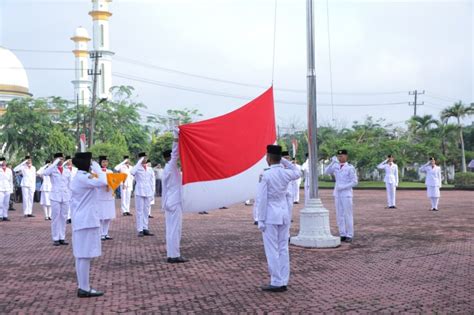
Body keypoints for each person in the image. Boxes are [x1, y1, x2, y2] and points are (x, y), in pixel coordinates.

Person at [256, 145, 300, 292]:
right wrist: (285, 162)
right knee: (283, 248)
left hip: (270, 215)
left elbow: (262, 199)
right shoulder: (286, 173)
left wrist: (260, 219)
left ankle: (276, 281)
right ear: (279, 158)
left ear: (268, 158)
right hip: (284, 214)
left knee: (272, 249)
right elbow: (298, 172)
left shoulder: (265, 175)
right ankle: (283, 279)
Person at [70, 152, 108, 297]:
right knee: (84, 256)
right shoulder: (84, 177)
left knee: (80, 256)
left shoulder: (80, 177)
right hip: (86, 221)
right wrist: (98, 169)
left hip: (81, 220)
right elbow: (104, 182)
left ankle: (83, 286)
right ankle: (84, 288)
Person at [162, 128, 188, 263]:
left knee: (171, 229)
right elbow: (175, 153)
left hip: (169, 202)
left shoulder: (167, 169)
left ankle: (172, 254)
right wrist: (176, 136)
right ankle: (174, 255)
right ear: (168, 158)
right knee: (175, 229)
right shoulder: (171, 166)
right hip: (174, 202)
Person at [324, 149, 358, 243]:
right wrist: (332, 162)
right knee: (339, 215)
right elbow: (326, 171)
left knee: (348, 215)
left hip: (346, 194)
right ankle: (342, 234)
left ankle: (349, 234)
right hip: (337, 193)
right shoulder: (335, 166)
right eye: (338, 156)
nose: (340, 158)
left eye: (342, 156)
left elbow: (355, 182)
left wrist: (343, 187)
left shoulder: (350, 168)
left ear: (346, 157)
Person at [43, 153, 72, 246]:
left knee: (64, 217)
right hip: (55, 196)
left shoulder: (67, 170)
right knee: (55, 217)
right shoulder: (52, 169)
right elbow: (45, 173)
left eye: (62, 159)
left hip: (65, 196)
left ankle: (62, 237)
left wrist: (71, 196)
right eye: (59, 159)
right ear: (55, 160)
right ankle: (55, 238)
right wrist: (54, 163)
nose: (61, 160)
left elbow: (70, 184)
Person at [130, 152, 155, 237]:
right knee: (139, 211)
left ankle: (145, 228)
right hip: (139, 191)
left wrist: (152, 193)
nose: (145, 159)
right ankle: (140, 229)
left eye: (145, 157)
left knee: (146, 210)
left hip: (148, 191)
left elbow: (152, 181)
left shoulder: (150, 169)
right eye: (143, 158)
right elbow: (132, 172)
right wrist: (138, 162)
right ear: (140, 158)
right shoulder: (136, 168)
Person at [96, 156, 115, 241]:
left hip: (109, 195)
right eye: (103, 162)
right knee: (100, 215)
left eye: (106, 162)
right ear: (100, 162)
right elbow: (95, 182)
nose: (105, 163)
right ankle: (100, 234)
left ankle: (105, 233)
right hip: (100, 195)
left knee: (108, 215)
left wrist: (111, 185)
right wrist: (105, 184)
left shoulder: (110, 171)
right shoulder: (96, 171)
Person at [64, 156, 78, 224]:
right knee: (67, 203)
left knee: (74, 203)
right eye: (68, 161)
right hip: (66, 188)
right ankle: (68, 217)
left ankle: (73, 217)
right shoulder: (63, 169)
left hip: (74, 188)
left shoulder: (75, 169)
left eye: (70, 160)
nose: (69, 162)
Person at [0, 157, 13, 221]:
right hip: (0, 189)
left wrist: (11, 189)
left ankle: (5, 216)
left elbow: (11, 181)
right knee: (0, 203)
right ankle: (0, 215)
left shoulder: (9, 170)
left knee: (6, 203)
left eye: (4, 161)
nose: (3, 162)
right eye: (2, 161)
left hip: (7, 188)